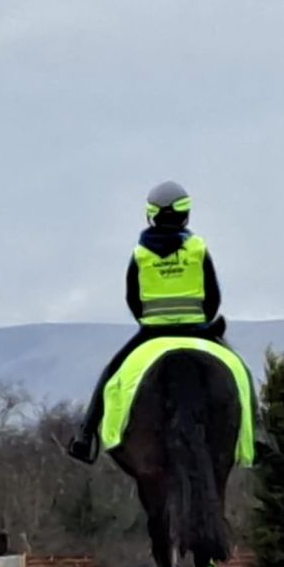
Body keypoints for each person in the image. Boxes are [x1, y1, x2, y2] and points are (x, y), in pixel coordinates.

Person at [68, 180, 222, 463]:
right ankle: (260, 433)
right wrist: (202, 321)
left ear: (151, 213)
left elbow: (132, 298)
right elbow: (213, 296)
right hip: (197, 330)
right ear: (185, 213)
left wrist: (151, 320)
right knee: (241, 374)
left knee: (110, 374)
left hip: (152, 332)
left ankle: (85, 435)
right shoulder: (198, 248)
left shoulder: (140, 254)